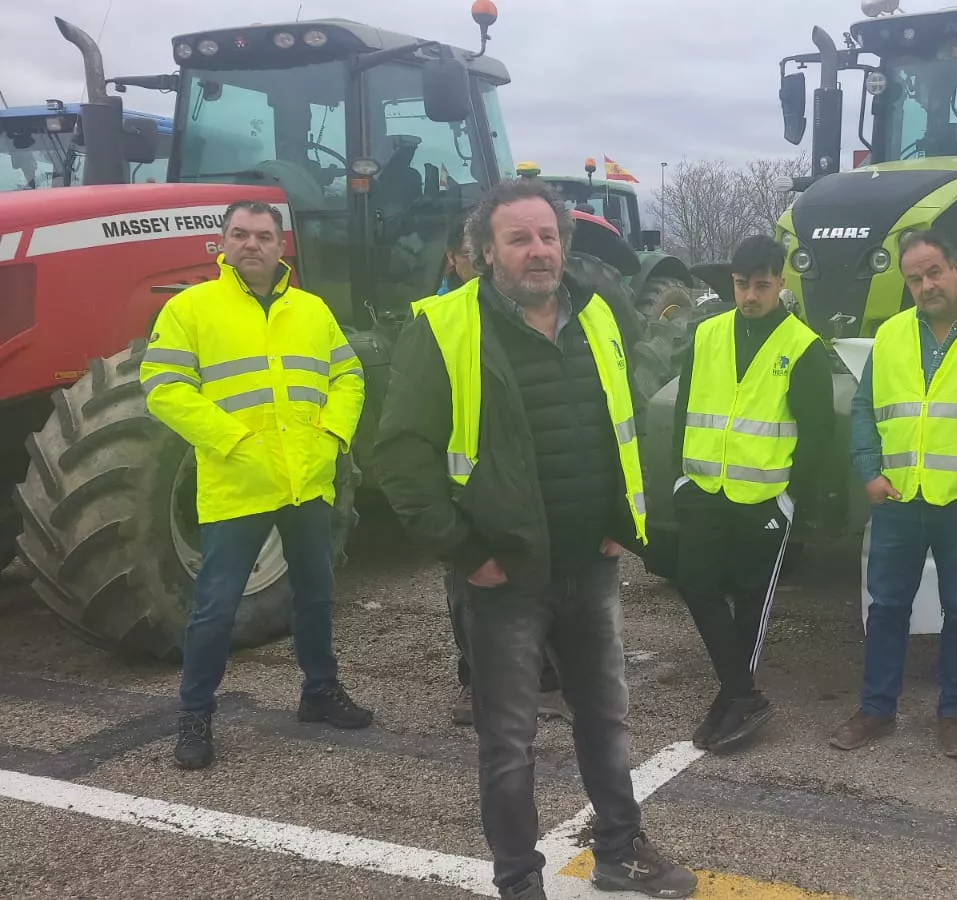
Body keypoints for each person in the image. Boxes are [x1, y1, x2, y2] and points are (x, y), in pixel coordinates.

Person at [374, 178, 696, 900]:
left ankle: (619, 850)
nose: (538, 250)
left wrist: (619, 523)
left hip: (590, 564)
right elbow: (400, 455)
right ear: (485, 252)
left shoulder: (600, 318)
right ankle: (519, 880)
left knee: (606, 719)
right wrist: (466, 553)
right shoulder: (443, 327)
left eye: (547, 236)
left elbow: (622, 423)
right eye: (518, 238)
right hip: (502, 577)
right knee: (510, 742)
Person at [140, 200, 371, 771]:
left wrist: (332, 435)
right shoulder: (192, 308)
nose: (252, 245)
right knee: (214, 610)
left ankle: (319, 691)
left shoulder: (312, 311)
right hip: (237, 485)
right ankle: (195, 715)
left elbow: (348, 375)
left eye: (263, 236)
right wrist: (231, 441)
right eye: (239, 234)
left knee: (315, 597)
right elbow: (162, 385)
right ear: (221, 243)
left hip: (306, 483)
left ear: (280, 245)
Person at [831, 228, 957, 759]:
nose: (925, 285)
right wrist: (868, 472)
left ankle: (955, 714)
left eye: (933, 272)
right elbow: (864, 409)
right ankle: (877, 709)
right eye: (914, 278)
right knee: (886, 608)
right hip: (899, 500)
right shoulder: (894, 334)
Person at [671, 235, 834, 752]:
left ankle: (731, 698)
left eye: (762, 285)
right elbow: (685, 407)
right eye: (742, 285)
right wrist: (679, 475)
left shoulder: (803, 346)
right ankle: (741, 692)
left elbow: (818, 433)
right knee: (695, 584)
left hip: (764, 497)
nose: (749, 296)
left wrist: (791, 500)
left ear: (781, 284)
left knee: (749, 599)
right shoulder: (707, 334)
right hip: (703, 488)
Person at [420, 219, 570, 729]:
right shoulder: (439, 321)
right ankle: (474, 681)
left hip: (523, 479)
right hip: (470, 490)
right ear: (459, 260)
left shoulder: (519, 314)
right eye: (465, 255)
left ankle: (545, 676)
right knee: (470, 591)